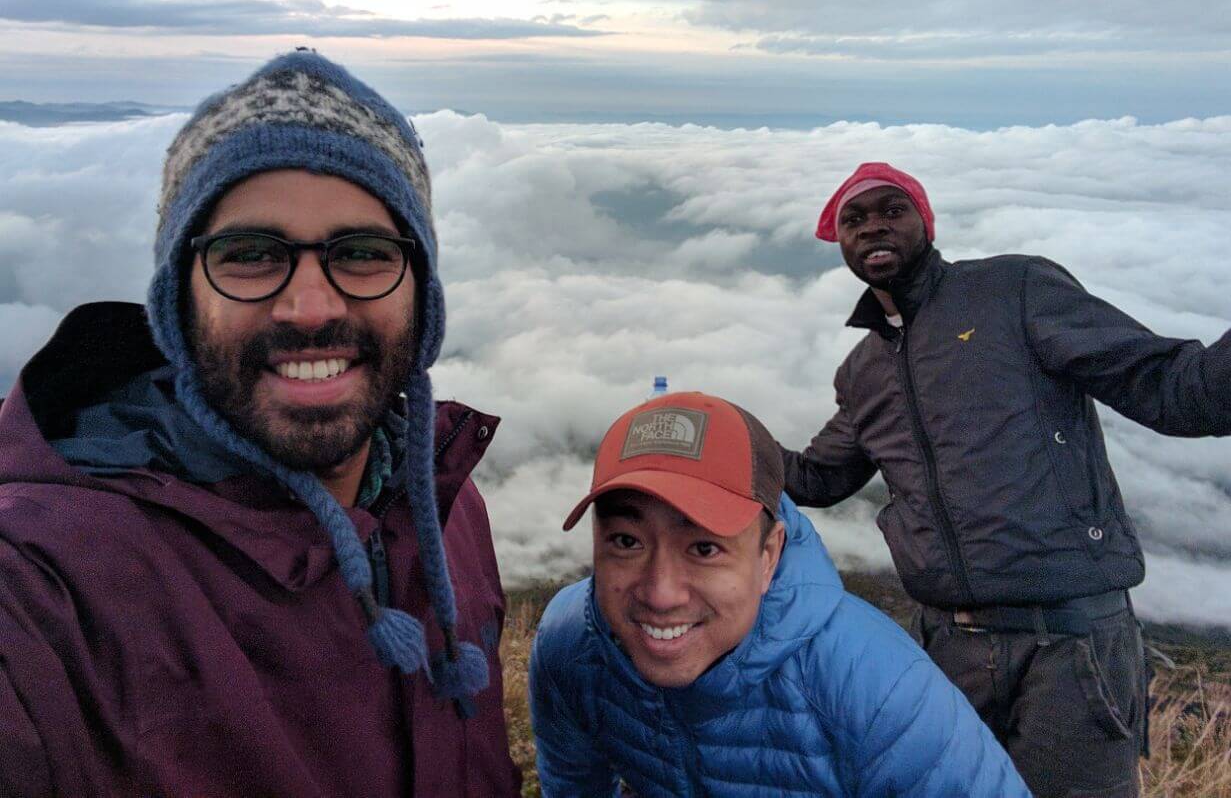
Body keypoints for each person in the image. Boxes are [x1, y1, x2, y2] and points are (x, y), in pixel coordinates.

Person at [0, 51, 521, 796]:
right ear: (179, 297)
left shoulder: (446, 507)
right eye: (249, 254)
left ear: (421, 293)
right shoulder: (47, 585)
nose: (310, 306)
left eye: (364, 253)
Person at [782, 161, 1231, 797]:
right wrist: (713, 433)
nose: (874, 225)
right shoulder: (864, 370)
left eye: (892, 209)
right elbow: (816, 478)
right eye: (855, 219)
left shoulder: (1013, 291)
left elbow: (1169, 388)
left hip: (1069, 648)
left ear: (926, 224)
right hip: (946, 654)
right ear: (840, 243)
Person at [529, 390, 1030, 797]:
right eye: (626, 542)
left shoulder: (876, 689)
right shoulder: (572, 642)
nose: (660, 593)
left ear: (769, 556)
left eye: (704, 548)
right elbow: (573, 784)